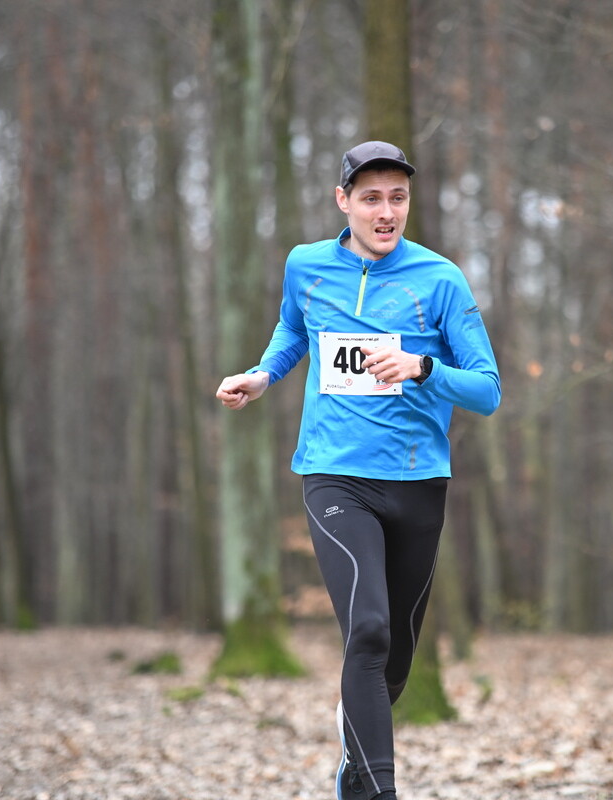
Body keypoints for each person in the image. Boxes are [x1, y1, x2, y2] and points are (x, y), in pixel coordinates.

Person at [216, 140, 500, 800]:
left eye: (397, 197)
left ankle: (354, 772)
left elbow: (487, 390)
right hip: (335, 475)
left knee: (391, 660)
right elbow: (294, 332)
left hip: (418, 483)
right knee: (366, 630)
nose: (385, 211)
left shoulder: (440, 279)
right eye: (370, 197)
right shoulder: (307, 265)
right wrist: (262, 376)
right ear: (344, 201)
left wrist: (423, 367)